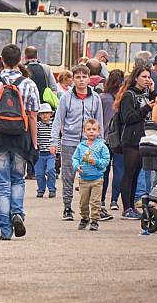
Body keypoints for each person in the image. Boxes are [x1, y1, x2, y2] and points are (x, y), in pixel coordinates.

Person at [0, 44, 39, 240]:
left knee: (1, 183)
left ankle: (5, 229)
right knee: (18, 179)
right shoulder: (28, 84)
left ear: (1, 61)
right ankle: (17, 213)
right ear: (19, 60)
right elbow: (33, 116)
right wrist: (34, 143)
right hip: (21, 138)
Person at [50, 64, 104, 221]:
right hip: (70, 141)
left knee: (90, 175)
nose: (81, 80)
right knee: (68, 175)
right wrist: (54, 141)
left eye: (84, 77)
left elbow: (99, 120)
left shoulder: (95, 98)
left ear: (88, 79)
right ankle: (67, 207)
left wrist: (100, 142)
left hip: (89, 143)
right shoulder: (66, 98)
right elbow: (58, 120)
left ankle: (89, 207)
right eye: (78, 77)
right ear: (73, 79)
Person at [114, 65, 155, 219]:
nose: (147, 80)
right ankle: (126, 208)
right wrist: (145, 109)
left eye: (149, 77)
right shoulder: (129, 95)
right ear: (136, 78)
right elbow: (128, 118)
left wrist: (152, 91)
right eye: (144, 77)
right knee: (129, 173)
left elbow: (155, 102)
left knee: (137, 173)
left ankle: (131, 206)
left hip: (143, 138)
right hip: (130, 140)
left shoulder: (145, 94)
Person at [72, 118, 110, 231]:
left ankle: (94, 220)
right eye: (89, 129)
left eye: (94, 129)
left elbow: (106, 160)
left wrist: (96, 162)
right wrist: (76, 166)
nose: (91, 131)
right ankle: (84, 218)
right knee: (83, 202)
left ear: (98, 131)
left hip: (97, 179)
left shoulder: (102, 146)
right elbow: (75, 158)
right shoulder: (81, 146)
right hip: (83, 179)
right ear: (84, 131)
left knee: (95, 201)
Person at [100, 69, 125, 211]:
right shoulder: (122, 99)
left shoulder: (102, 97)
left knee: (104, 170)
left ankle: (102, 199)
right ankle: (114, 200)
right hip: (119, 138)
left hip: (104, 138)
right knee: (119, 170)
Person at [35, 103, 57, 198]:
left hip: (50, 153)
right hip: (40, 154)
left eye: (47, 113)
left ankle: (52, 189)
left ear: (51, 114)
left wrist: (58, 152)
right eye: (42, 113)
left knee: (51, 170)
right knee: (39, 173)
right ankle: (41, 189)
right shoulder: (38, 125)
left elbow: (57, 139)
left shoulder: (54, 125)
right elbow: (34, 135)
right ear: (39, 115)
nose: (45, 115)